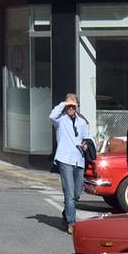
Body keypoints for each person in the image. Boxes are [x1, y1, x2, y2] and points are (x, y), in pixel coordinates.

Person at [49, 94, 92, 230]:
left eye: (74, 106)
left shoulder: (82, 122)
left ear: (78, 106)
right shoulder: (60, 120)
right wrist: (65, 103)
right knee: (69, 193)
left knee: (77, 194)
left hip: (79, 160)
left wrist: (85, 144)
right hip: (65, 159)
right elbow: (52, 115)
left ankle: (66, 213)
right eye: (69, 106)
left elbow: (87, 137)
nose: (71, 108)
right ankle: (71, 223)